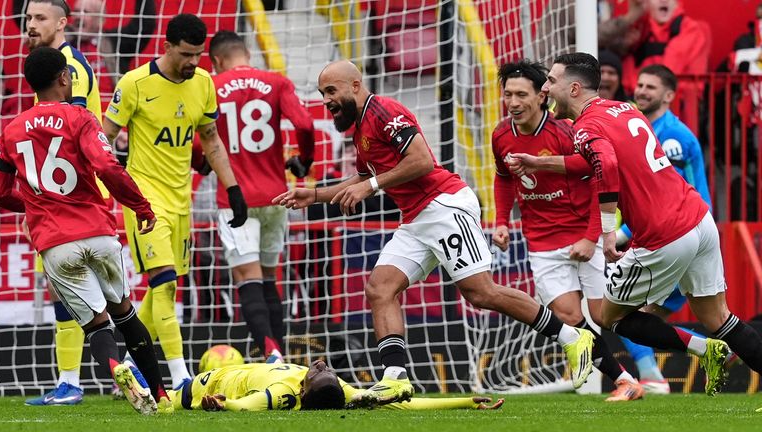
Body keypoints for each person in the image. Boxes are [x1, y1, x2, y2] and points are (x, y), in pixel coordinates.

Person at [273, 60, 595, 408]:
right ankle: (394, 379)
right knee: (380, 288)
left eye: (331, 91)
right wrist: (316, 194)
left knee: (481, 293)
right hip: (416, 218)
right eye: (323, 94)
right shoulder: (361, 126)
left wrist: (372, 186)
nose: (326, 100)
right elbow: (365, 174)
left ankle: (571, 336)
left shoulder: (384, 112)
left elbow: (422, 161)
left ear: (354, 85)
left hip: (444, 206)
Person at [508, 53, 762, 405]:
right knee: (719, 318)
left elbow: (606, 163)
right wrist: (542, 162)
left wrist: (608, 230)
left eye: (551, 81)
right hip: (698, 219)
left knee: (611, 318)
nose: (546, 88)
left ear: (575, 87)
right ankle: (711, 348)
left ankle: (702, 351)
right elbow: (597, 158)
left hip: (664, 234)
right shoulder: (622, 109)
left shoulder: (584, 126)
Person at [0, 46, 171, 415]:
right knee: (126, 315)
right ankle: (162, 396)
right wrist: (140, 206)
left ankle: (114, 367)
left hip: (55, 244)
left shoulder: (10, 131)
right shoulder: (81, 117)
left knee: (96, 326)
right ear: (64, 78)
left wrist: (34, 206)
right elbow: (107, 166)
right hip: (97, 231)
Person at [103, 14, 249, 391]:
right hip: (144, 201)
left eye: (198, 54)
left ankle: (131, 366)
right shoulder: (135, 83)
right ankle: (179, 374)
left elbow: (212, 140)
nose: (193, 62)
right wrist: (103, 190)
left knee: (161, 289)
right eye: (186, 54)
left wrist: (233, 189)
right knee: (165, 283)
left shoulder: (202, 83)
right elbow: (104, 139)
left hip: (180, 199)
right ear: (166, 47)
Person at [492, 60, 643, 402]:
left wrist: (591, 236)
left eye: (521, 95)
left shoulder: (565, 132)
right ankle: (626, 382)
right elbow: (503, 178)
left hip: (581, 235)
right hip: (542, 241)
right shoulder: (501, 135)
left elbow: (597, 181)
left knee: (604, 317)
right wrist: (502, 220)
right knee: (569, 317)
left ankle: (690, 342)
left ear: (541, 97)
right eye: (508, 95)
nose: (513, 102)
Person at [207, 30, 316, 363]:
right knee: (270, 276)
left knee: (246, 276)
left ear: (215, 61)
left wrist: (201, 164)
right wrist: (304, 161)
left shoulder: (211, 86)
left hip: (236, 198)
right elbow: (306, 124)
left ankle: (271, 354)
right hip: (275, 195)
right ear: (248, 54)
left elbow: (203, 143)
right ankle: (279, 354)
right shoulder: (276, 82)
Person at [22, 0, 105, 406]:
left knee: (77, 291)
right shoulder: (51, 67)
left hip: (71, 201)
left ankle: (74, 381)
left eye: (40, 18)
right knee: (78, 291)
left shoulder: (69, 69)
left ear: (62, 22)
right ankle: (80, 378)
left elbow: (80, 137)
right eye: (28, 18)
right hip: (58, 199)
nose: (31, 25)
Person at [615, 64, 715, 394]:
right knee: (647, 316)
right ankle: (716, 351)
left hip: (677, 234)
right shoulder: (643, 128)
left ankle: (654, 377)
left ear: (669, 96)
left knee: (622, 312)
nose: (641, 91)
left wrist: (623, 233)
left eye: (651, 87)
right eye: (640, 85)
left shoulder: (672, 137)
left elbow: (666, 199)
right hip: (680, 233)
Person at [168, 360, 504, 411]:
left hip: (214, 379)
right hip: (237, 372)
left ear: (304, 389)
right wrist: (464, 401)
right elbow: (406, 404)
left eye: (315, 372)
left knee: (164, 404)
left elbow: (247, 406)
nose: (318, 365)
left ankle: (130, 374)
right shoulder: (341, 390)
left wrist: (222, 403)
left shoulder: (284, 391)